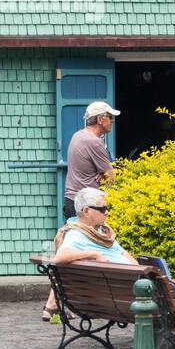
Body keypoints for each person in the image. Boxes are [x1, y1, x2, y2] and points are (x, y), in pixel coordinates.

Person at [54, 187, 175, 322]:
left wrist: (140, 271)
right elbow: (60, 257)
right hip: (133, 292)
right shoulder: (77, 234)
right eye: (102, 209)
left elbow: (123, 254)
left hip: (126, 290)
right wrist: (94, 254)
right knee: (173, 292)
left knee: (172, 288)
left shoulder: (100, 232)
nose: (106, 212)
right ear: (86, 211)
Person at [44, 100, 121, 320]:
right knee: (78, 254)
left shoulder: (77, 136)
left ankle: (51, 305)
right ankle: (53, 304)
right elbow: (112, 177)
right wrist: (104, 175)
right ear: (100, 120)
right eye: (110, 117)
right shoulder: (94, 142)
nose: (112, 122)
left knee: (72, 251)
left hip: (73, 201)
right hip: (88, 208)